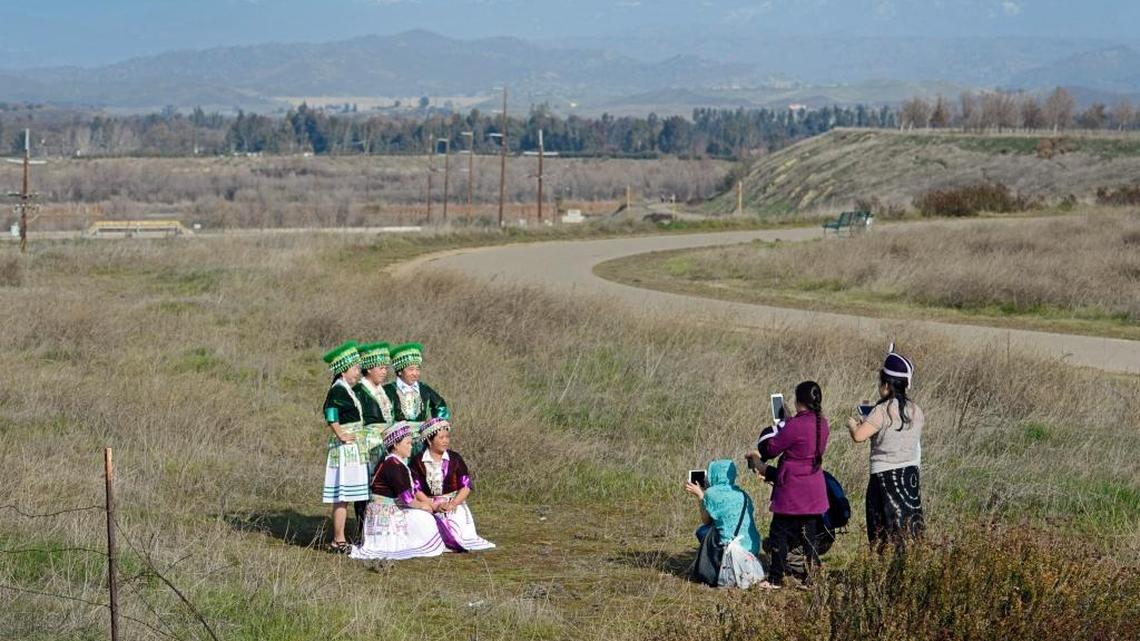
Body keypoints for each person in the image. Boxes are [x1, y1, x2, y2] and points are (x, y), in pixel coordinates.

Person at [846, 345, 925, 551]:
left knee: (882, 528)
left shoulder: (881, 411)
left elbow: (859, 437)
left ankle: (883, 571)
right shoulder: (916, 410)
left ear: (887, 385)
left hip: (884, 477)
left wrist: (853, 424)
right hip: (909, 477)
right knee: (908, 526)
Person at [754, 381, 829, 589]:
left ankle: (775, 578)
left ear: (798, 401)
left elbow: (770, 450)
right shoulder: (823, 423)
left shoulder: (794, 425)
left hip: (792, 490)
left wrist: (778, 428)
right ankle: (812, 578)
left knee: (778, 533)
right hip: (814, 488)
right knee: (809, 537)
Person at [351, 421, 448, 561]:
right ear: (396, 445)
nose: (411, 446)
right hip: (384, 512)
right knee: (424, 518)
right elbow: (407, 499)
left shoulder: (393, 462)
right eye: (407, 443)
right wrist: (425, 506)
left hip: (386, 509)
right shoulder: (394, 465)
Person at [409, 418, 495, 552]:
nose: (445, 441)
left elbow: (466, 486)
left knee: (455, 520)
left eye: (447, 437)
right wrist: (432, 504)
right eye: (441, 437)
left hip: (453, 503)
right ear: (429, 440)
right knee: (423, 521)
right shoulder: (417, 461)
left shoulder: (455, 458)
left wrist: (452, 504)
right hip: (428, 503)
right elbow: (416, 488)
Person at [683, 459, 766, 589]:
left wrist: (701, 495)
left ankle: (713, 570)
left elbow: (706, 520)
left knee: (704, 531)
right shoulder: (744, 494)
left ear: (713, 475)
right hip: (751, 548)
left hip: (731, 550)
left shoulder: (711, 494)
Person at [320, 341, 369, 553]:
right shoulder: (338, 389)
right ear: (344, 370)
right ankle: (338, 540)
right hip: (345, 447)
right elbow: (330, 412)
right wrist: (340, 433)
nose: (358, 372)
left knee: (350, 495)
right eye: (356, 368)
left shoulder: (347, 389)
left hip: (355, 446)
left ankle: (345, 537)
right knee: (342, 496)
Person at [353, 342, 395, 528]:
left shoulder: (382, 391)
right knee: (366, 486)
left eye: (386, 368)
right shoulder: (358, 392)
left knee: (384, 485)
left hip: (386, 444)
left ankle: (383, 527)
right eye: (381, 368)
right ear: (369, 368)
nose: (385, 371)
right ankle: (364, 529)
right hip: (368, 446)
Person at [383, 342, 449, 456]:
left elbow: (440, 405)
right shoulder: (388, 390)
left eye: (417, 369)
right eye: (411, 369)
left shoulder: (423, 389)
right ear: (400, 371)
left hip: (421, 442)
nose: (415, 373)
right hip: (399, 443)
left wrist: (435, 428)